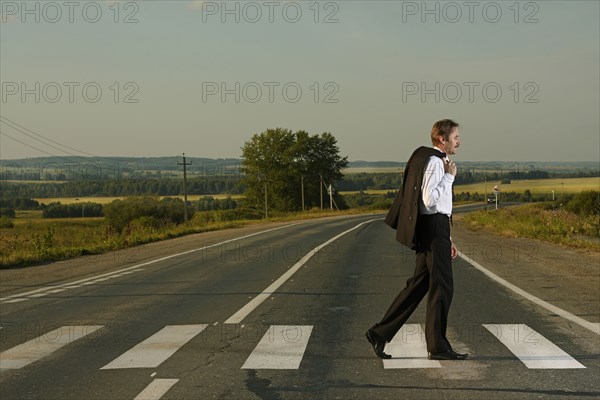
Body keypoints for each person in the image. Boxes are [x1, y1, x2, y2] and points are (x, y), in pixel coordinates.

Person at [365, 119, 468, 361]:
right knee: (442, 288)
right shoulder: (435, 162)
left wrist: (449, 238)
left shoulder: (429, 158)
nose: (459, 141)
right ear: (442, 139)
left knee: (419, 285)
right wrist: (450, 177)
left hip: (435, 229)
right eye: (455, 137)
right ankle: (438, 347)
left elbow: (437, 206)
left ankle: (380, 333)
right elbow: (430, 200)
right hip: (433, 229)